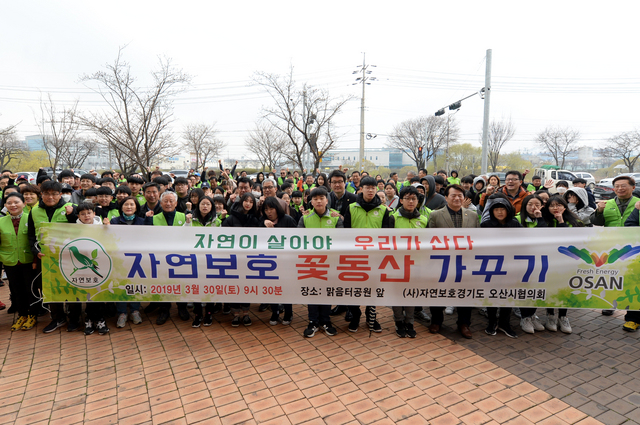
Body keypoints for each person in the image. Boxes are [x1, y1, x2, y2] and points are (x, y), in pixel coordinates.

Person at [28, 181, 80, 333]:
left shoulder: (70, 209)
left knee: (71, 286)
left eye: (54, 194)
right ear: (41, 195)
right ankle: (58, 317)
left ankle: (74, 318)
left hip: (68, 257)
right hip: (46, 257)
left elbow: (81, 230)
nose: (50, 197)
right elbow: (31, 235)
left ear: (60, 195)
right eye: (46, 194)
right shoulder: (34, 211)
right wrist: (34, 250)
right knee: (50, 288)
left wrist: (72, 216)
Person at [426, 185, 478, 338]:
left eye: (460, 196)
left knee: (465, 292)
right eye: (453, 195)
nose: (457, 198)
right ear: (446, 197)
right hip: (442, 260)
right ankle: (436, 320)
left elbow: (477, 239)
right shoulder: (436, 215)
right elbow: (430, 239)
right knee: (439, 290)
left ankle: (464, 323)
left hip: (465, 261)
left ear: (464, 198)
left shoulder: (473, 215)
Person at [344, 177, 390, 333]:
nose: (370, 190)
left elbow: (386, 236)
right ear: (361, 189)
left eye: (373, 187)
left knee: (372, 288)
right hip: (354, 257)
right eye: (367, 187)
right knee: (354, 288)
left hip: (374, 258)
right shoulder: (351, 208)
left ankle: (372, 317)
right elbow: (346, 232)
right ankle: (355, 315)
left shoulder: (383, 210)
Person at [298, 187, 341, 337]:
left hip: (330, 263)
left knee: (326, 291)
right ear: (311, 201)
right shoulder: (305, 217)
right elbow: (299, 240)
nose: (318, 201)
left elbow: (341, 241)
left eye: (321, 198)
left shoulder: (336, 217)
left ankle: (325, 321)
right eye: (315, 199)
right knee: (313, 292)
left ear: (326, 200)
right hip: (311, 262)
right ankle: (313, 321)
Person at [145, 191, 190, 325]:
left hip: (181, 257)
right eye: (165, 201)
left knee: (181, 282)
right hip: (160, 258)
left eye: (171, 201)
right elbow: (147, 237)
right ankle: (164, 309)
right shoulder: (154, 218)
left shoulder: (185, 217)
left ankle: (182, 308)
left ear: (176, 203)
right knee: (163, 283)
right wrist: (147, 220)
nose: (168, 203)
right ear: (160, 202)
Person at [389, 186, 428, 338]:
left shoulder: (424, 220)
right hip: (396, 263)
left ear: (418, 201)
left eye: (414, 199)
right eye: (407, 198)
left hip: (416, 264)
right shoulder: (393, 218)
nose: (411, 202)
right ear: (401, 200)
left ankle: (409, 321)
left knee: (412, 293)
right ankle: (399, 321)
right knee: (397, 293)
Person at [481, 194, 520, 338]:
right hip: (491, 265)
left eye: (502, 209)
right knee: (491, 293)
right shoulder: (485, 225)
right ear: (491, 211)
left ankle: (505, 323)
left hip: (510, 265)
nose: (499, 212)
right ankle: (492, 322)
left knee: (507, 294)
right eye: (496, 209)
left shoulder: (515, 224)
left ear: (508, 210)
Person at [222, 192, 260, 326]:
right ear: (241, 201)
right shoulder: (231, 218)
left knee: (246, 286)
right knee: (234, 286)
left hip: (249, 260)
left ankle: (246, 313)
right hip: (233, 259)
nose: (248, 203)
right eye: (246, 200)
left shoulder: (254, 219)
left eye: (251, 201)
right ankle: (236, 314)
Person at [2, 193, 37, 331]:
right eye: (9, 203)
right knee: (16, 290)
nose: (13, 205)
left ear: (23, 203)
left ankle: (32, 315)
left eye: (16, 202)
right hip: (10, 261)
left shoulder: (31, 219)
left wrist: (35, 259)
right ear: (5, 206)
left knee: (31, 289)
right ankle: (22, 315)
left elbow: (35, 240)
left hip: (28, 260)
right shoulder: (1, 221)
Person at [259, 197, 297, 326]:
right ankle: (274, 311)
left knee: (286, 287)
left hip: (286, 261)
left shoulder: (288, 220)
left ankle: (288, 312)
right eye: (266, 209)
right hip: (268, 261)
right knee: (272, 287)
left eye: (271, 208)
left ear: (277, 208)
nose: (269, 212)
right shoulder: (261, 222)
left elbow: (296, 240)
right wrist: (264, 225)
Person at [74, 202, 110, 335]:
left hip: (100, 264)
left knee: (99, 292)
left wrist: (108, 229)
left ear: (94, 214)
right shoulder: (73, 228)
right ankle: (89, 318)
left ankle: (100, 319)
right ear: (78, 216)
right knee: (88, 293)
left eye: (89, 213)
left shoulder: (102, 226)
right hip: (82, 267)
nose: (86, 216)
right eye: (82, 214)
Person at [109, 197, 145, 329]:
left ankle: (135, 311)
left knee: (136, 284)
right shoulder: (114, 221)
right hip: (120, 259)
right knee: (121, 284)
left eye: (132, 204)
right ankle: (122, 313)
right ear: (121, 207)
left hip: (138, 259)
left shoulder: (143, 221)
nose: (129, 207)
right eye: (126, 204)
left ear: (136, 207)